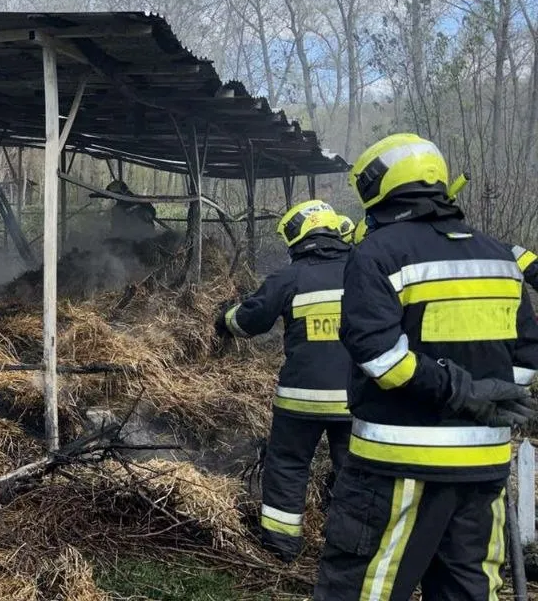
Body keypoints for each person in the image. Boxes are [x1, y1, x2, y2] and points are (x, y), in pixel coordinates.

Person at [313, 133, 538, 600]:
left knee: (362, 588)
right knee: (468, 590)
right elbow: (526, 357)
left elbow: (381, 358)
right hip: (482, 468)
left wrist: (462, 391)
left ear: (377, 189)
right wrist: (487, 398)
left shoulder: (379, 253)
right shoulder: (497, 256)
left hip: (397, 467)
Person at [215, 199, 352, 562]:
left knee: (288, 468)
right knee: (355, 474)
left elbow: (249, 321)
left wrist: (222, 320)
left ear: (301, 237)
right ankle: (347, 549)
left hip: (300, 400)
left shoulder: (290, 277)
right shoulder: (364, 269)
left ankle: (280, 551)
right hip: (358, 400)